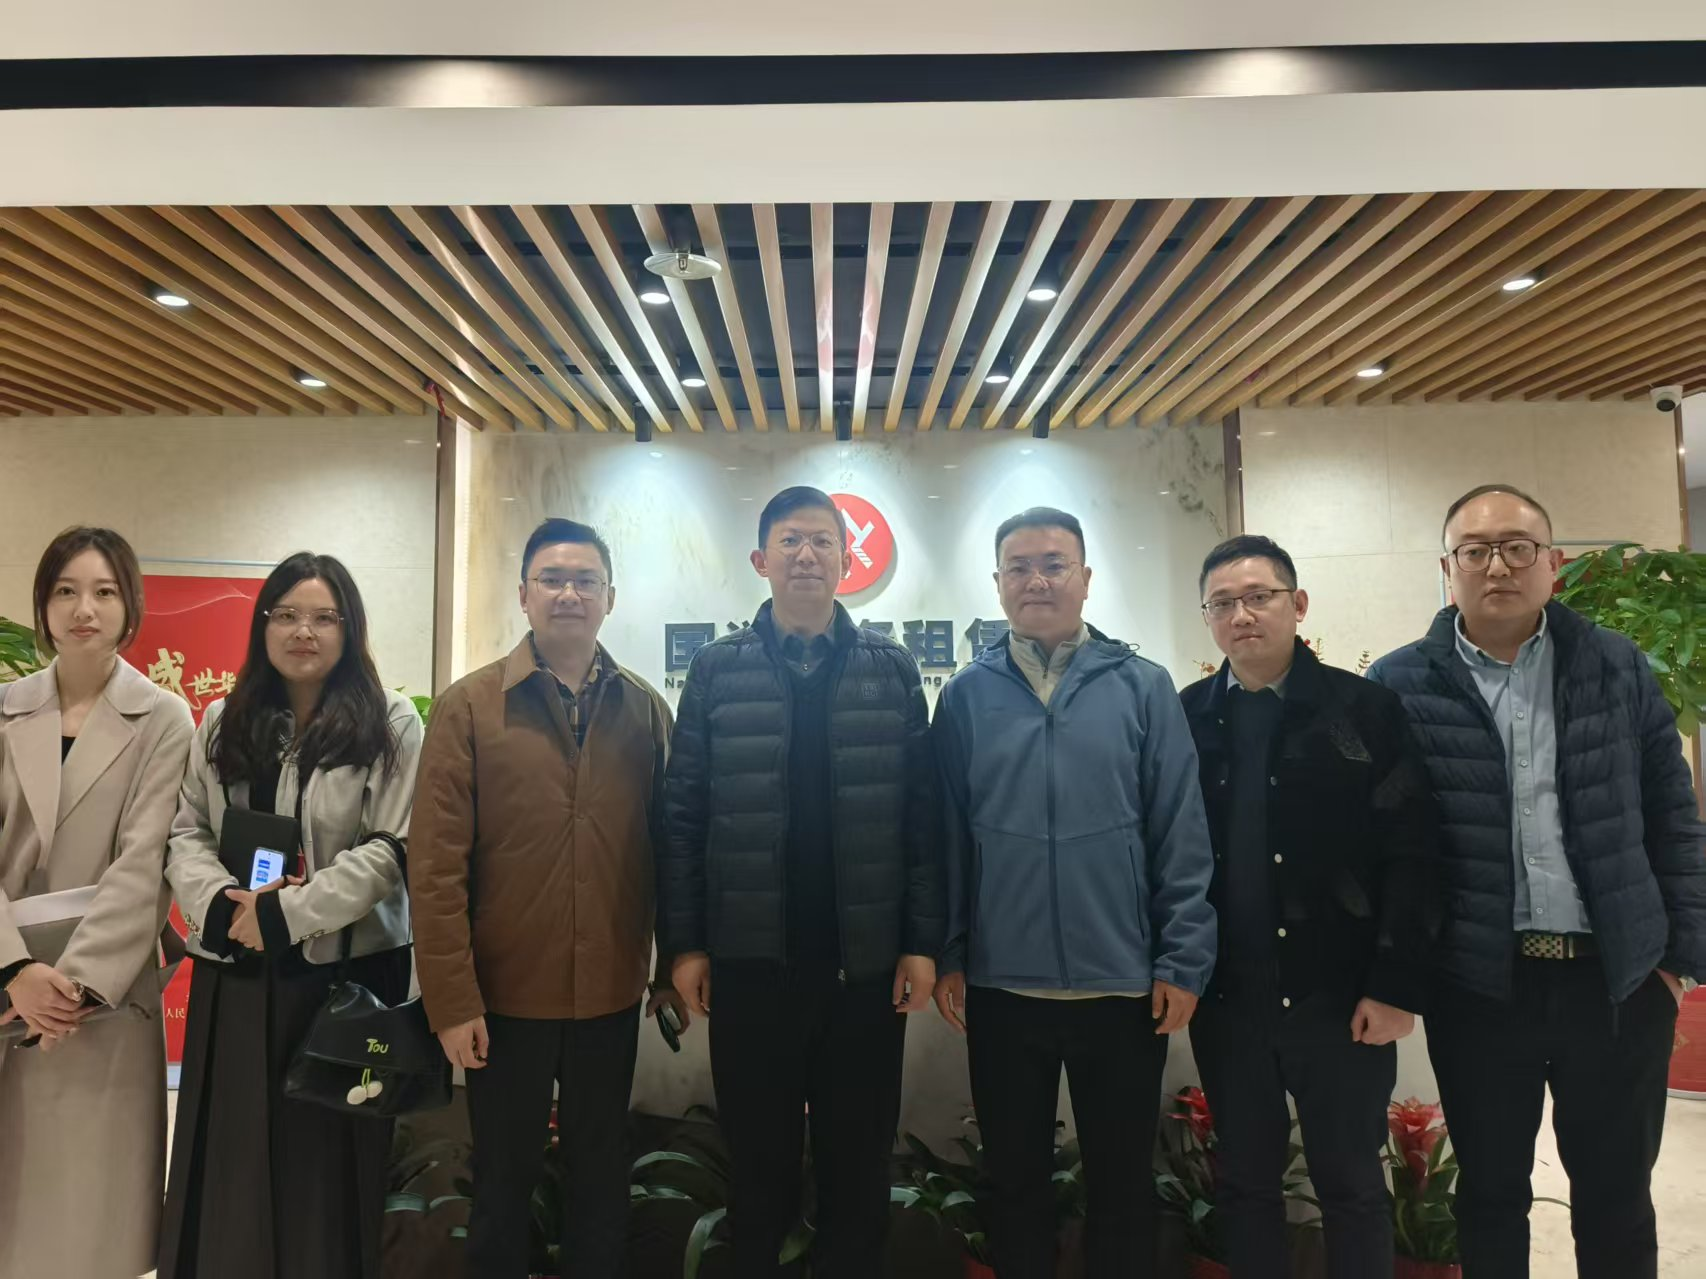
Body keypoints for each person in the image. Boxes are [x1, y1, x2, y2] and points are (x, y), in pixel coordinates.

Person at [1368, 483, 1706, 1279]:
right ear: (1447, 568)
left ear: (1552, 563)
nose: (1498, 566)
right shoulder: (1399, 683)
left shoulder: (1617, 664)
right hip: (1480, 987)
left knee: (1617, 1196)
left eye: (1518, 547)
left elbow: (1673, 811)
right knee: (1490, 1196)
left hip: (1615, 982)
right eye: (1476, 550)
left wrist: (1677, 963)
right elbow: (1388, 844)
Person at [660, 486, 942, 1279]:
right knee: (758, 1172)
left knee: (859, 1171)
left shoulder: (891, 668)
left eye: (822, 541)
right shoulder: (717, 670)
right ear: (762, 559)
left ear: (848, 560)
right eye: (790, 541)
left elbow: (922, 820)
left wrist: (921, 943)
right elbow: (682, 817)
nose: (807, 555)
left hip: (865, 974)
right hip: (751, 970)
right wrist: (684, 944)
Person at [932, 506, 1216, 1279]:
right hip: (1004, 986)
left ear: (1086, 578)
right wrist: (951, 950)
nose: (1037, 579)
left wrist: (1182, 957)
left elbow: (1180, 830)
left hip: (1121, 985)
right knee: (1014, 1184)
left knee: (1122, 1187)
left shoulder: (1142, 686)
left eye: (1054, 563)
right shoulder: (965, 696)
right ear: (997, 583)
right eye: (1019, 566)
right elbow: (947, 835)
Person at [410, 518, 680, 1279]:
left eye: (585, 580)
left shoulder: (644, 710)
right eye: (552, 579)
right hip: (502, 1001)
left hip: (609, 995)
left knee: (602, 1178)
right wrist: (451, 1000)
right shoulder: (469, 707)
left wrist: (667, 969)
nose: (569, 594)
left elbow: (671, 851)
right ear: (524, 594)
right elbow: (435, 867)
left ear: (610, 598)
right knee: (501, 1185)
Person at [158, 552, 424, 1279]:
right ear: (263, 624)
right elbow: (188, 831)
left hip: (344, 976)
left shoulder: (390, 720)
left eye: (323, 617)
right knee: (232, 1158)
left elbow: (391, 846)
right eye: (287, 615)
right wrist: (220, 907)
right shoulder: (223, 717)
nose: (304, 631)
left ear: (349, 628)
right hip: (237, 971)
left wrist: (286, 914)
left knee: (325, 1172)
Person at [1180, 534, 1439, 1279]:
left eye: (1258, 597)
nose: (1242, 615)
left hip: (1341, 999)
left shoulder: (1365, 710)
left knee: (1352, 1187)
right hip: (1229, 999)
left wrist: (1395, 985)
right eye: (1222, 603)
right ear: (1208, 618)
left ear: (1296, 604)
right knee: (1246, 1186)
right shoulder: (1186, 717)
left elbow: (1414, 851)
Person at [0, 526, 193, 1279]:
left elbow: (145, 866)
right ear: (43, 605)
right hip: (7, 986)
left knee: (91, 1229)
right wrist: (15, 971)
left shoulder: (164, 717)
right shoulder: (4, 709)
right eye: (66, 591)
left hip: (100, 1003)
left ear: (130, 605)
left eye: (105, 591)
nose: (85, 609)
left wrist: (71, 988)